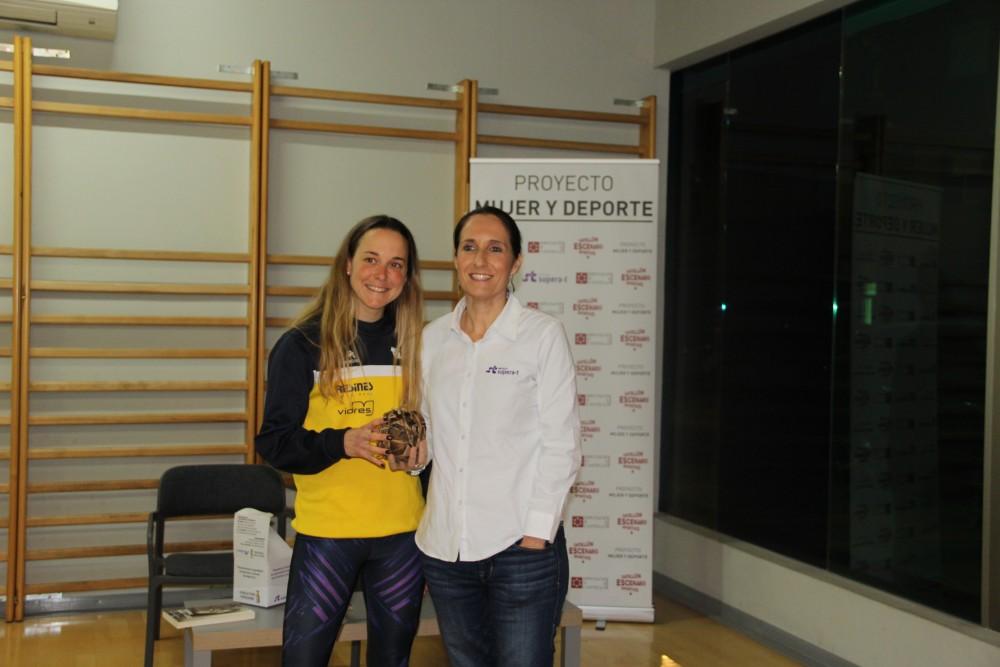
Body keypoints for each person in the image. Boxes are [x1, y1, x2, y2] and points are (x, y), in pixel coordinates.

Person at [256, 214, 428, 667]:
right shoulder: (302, 344)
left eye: (396, 264)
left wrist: (420, 456)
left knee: (392, 659)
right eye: (371, 259)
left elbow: (440, 433)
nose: (382, 274)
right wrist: (343, 443)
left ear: (407, 276)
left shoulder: (419, 343)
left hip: (402, 534)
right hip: (328, 534)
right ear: (347, 264)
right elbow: (274, 443)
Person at [416, 205, 582, 667]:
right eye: (469, 247)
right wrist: (410, 454)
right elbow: (427, 436)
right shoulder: (432, 339)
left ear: (516, 262)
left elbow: (562, 445)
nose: (480, 260)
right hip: (447, 551)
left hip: (521, 549)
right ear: (455, 258)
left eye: (495, 249)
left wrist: (536, 535)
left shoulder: (542, 336)